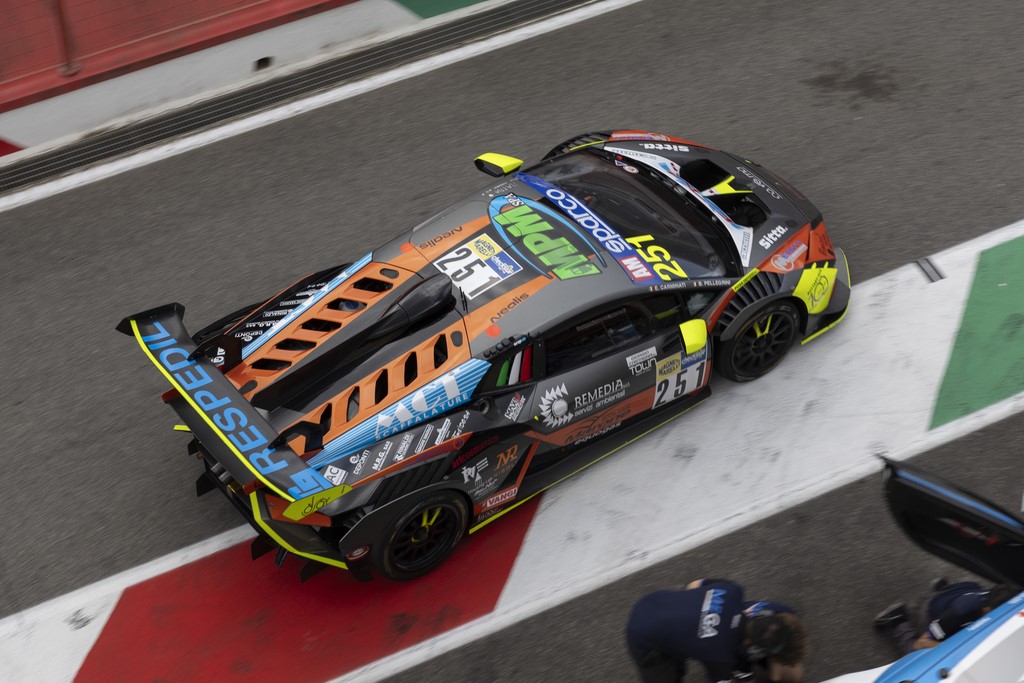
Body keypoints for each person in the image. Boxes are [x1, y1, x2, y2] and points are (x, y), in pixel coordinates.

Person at [626, 578, 807, 683]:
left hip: (656, 599)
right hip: (643, 631)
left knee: (793, 674)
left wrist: (696, 614)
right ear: (751, 644)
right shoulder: (721, 657)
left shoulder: (733, 590)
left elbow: (694, 585)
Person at [873, 578, 1016, 655]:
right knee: (915, 653)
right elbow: (923, 642)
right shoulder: (962, 610)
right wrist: (952, 653)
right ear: (987, 609)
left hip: (962, 593)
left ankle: (941, 590)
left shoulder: (1000, 599)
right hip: (931, 612)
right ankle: (898, 618)